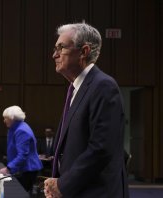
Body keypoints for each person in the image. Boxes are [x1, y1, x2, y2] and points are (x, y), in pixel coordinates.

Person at [44, 23, 129, 198]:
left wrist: (63, 185)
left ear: (84, 51)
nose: (54, 55)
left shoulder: (103, 86)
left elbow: (100, 149)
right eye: (55, 48)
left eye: (61, 48)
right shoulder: (77, 88)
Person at [0, 105, 43, 193]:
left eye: (5, 118)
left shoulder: (21, 130)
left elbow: (22, 155)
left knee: (17, 194)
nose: (4, 121)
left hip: (27, 169)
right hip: (24, 169)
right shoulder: (17, 127)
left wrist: (8, 169)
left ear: (12, 118)